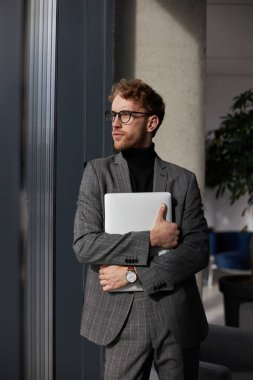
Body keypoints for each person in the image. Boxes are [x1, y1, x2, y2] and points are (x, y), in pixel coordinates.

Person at [73, 78, 209, 380]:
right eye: (113, 115)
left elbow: (197, 251)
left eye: (126, 115)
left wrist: (134, 274)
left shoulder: (182, 180)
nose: (115, 124)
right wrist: (151, 238)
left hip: (175, 313)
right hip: (120, 316)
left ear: (151, 122)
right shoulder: (97, 173)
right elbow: (85, 244)